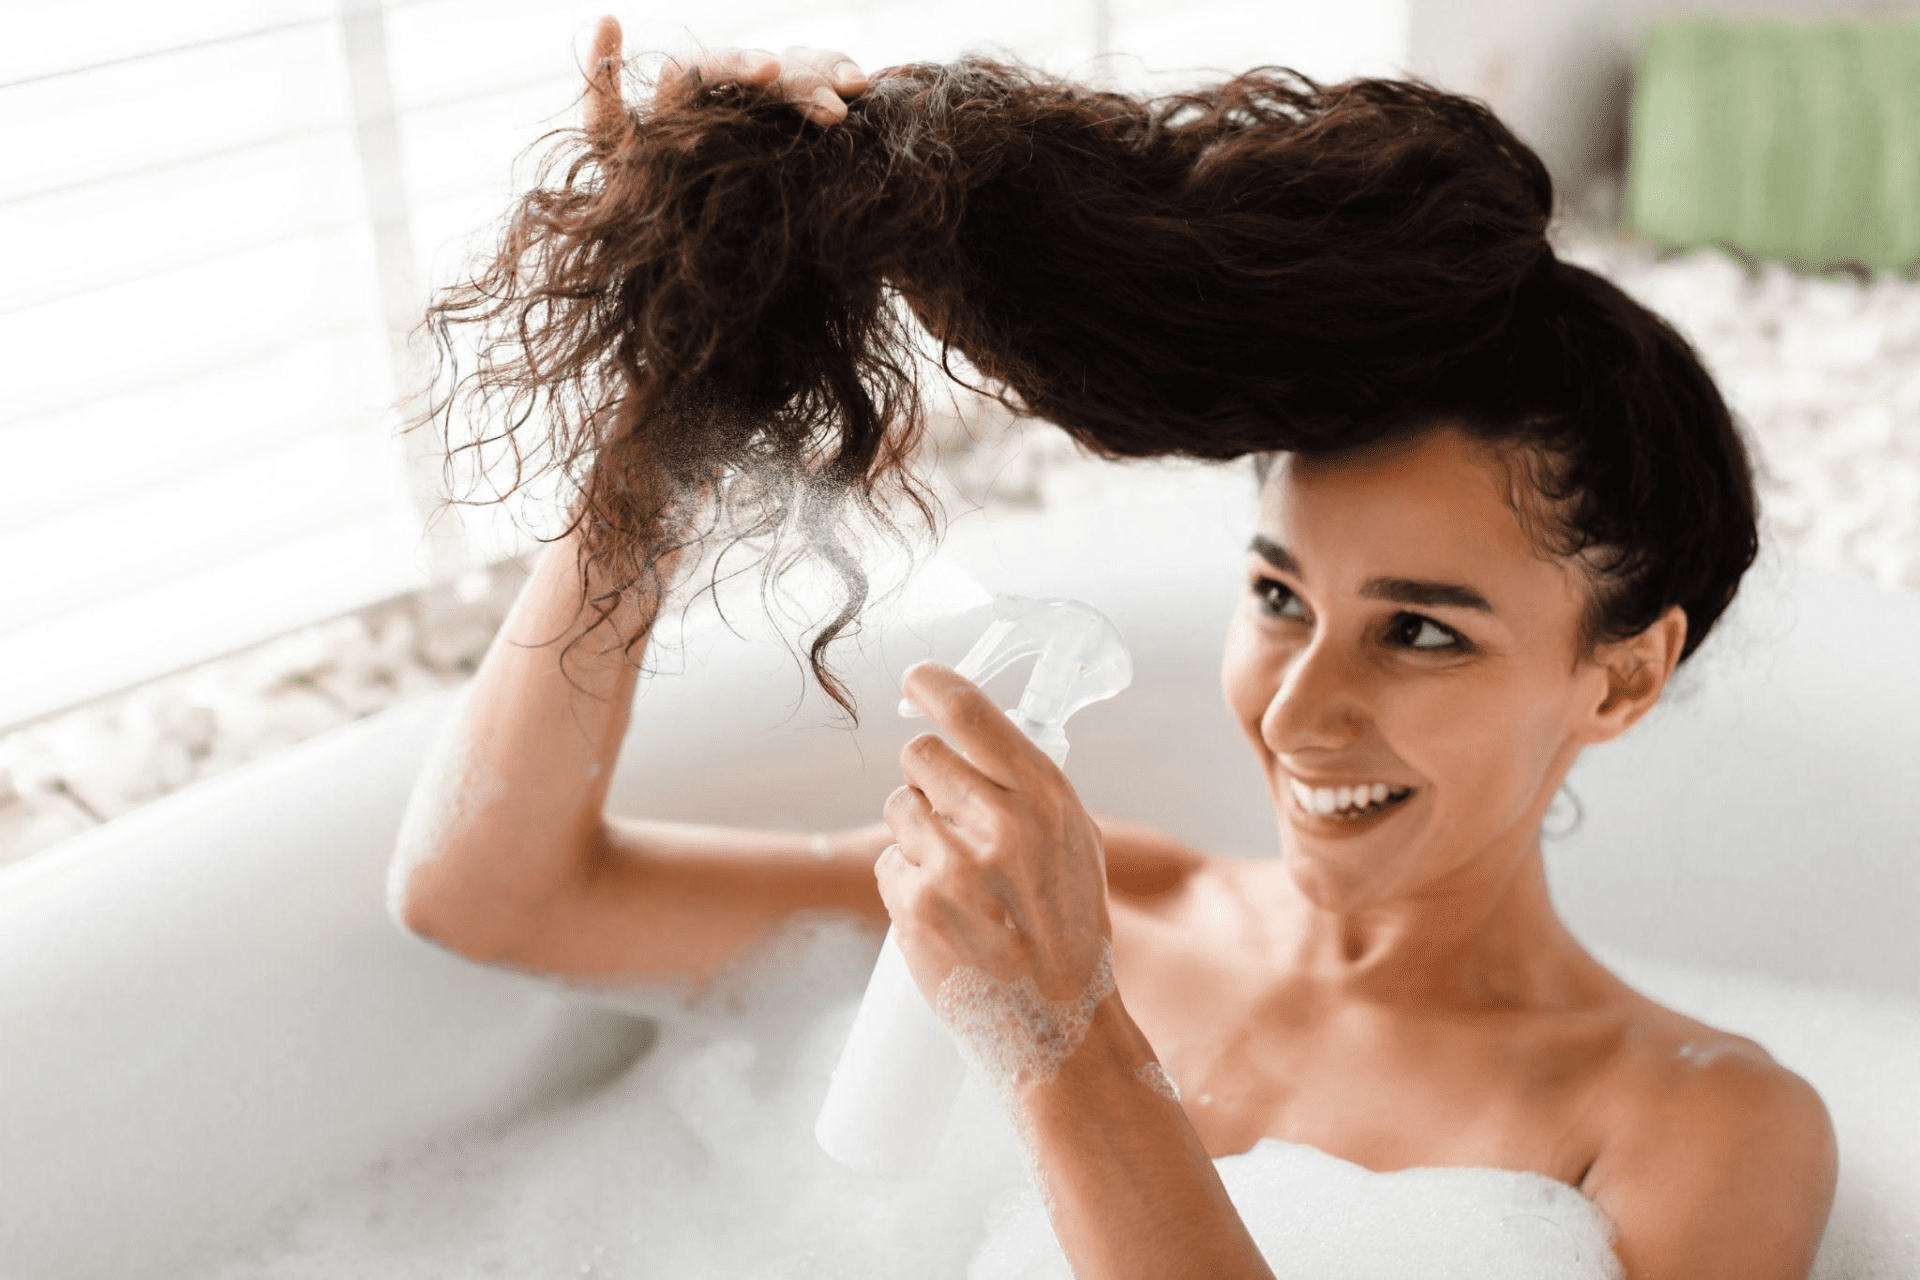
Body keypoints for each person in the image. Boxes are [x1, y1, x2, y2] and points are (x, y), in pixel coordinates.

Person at [390, 21, 1837, 1279]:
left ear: (1624, 673)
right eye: (1280, 598)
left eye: (1418, 633)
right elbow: (496, 896)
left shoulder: (1696, 1126)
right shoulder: (1122, 898)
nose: (1303, 707)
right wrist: (667, 415)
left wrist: (1065, 1034)